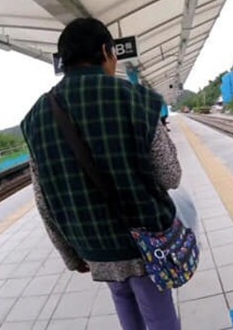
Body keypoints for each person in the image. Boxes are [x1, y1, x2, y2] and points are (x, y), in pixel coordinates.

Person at [20, 18, 182, 330]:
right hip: (145, 239)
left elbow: (43, 202)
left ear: (63, 61)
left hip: (93, 244)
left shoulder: (36, 117)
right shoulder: (134, 98)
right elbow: (170, 175)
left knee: (123, 301)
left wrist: (71, 255)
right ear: (107, 51)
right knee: (158, 314)